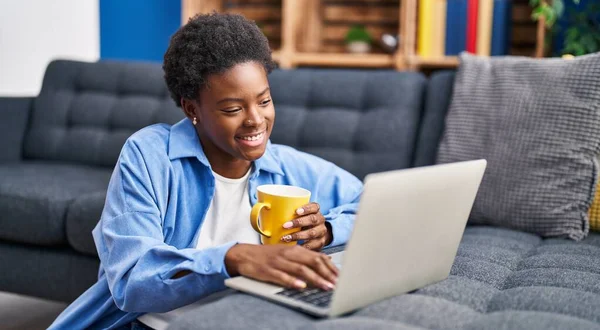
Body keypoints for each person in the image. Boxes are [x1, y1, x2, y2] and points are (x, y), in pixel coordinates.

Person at [49, 12, 362, 330]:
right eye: (233, 109)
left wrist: (329, 231)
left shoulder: (284, 166)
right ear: (191, 108)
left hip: (250, 319)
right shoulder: (150, 155)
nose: (255, 119)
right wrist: (234, 259)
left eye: (264, 101)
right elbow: (132, 280)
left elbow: (367, 203)